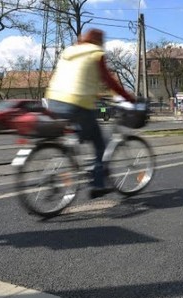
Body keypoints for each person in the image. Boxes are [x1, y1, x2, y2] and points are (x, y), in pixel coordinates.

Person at [45, 28, 135, 199]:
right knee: (100, 144)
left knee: (79, 134)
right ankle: (97, 184)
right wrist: (128, 97)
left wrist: (96, 94)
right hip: (76, 103)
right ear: (99, 41)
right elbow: (108, 80)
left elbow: (76, 79)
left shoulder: (69, 51)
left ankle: (72, 160)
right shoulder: (96, 52)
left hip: (54, 100)